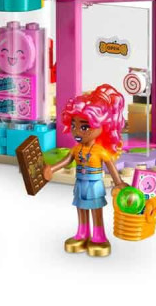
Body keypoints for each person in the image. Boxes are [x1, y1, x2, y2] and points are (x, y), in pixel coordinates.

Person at [43, 84, 127, 257]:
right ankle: (82, 233)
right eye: (73, 125)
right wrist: (51, 169)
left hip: (94, 184)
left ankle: (99, 236)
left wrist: (119, 183)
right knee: (80, 207)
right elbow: (67, 161)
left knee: (96, 209)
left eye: (84, 127)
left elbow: (111, 167)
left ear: (102, 126)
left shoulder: (100, 151)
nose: (77, 132)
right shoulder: (76, 149)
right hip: (80, 183)